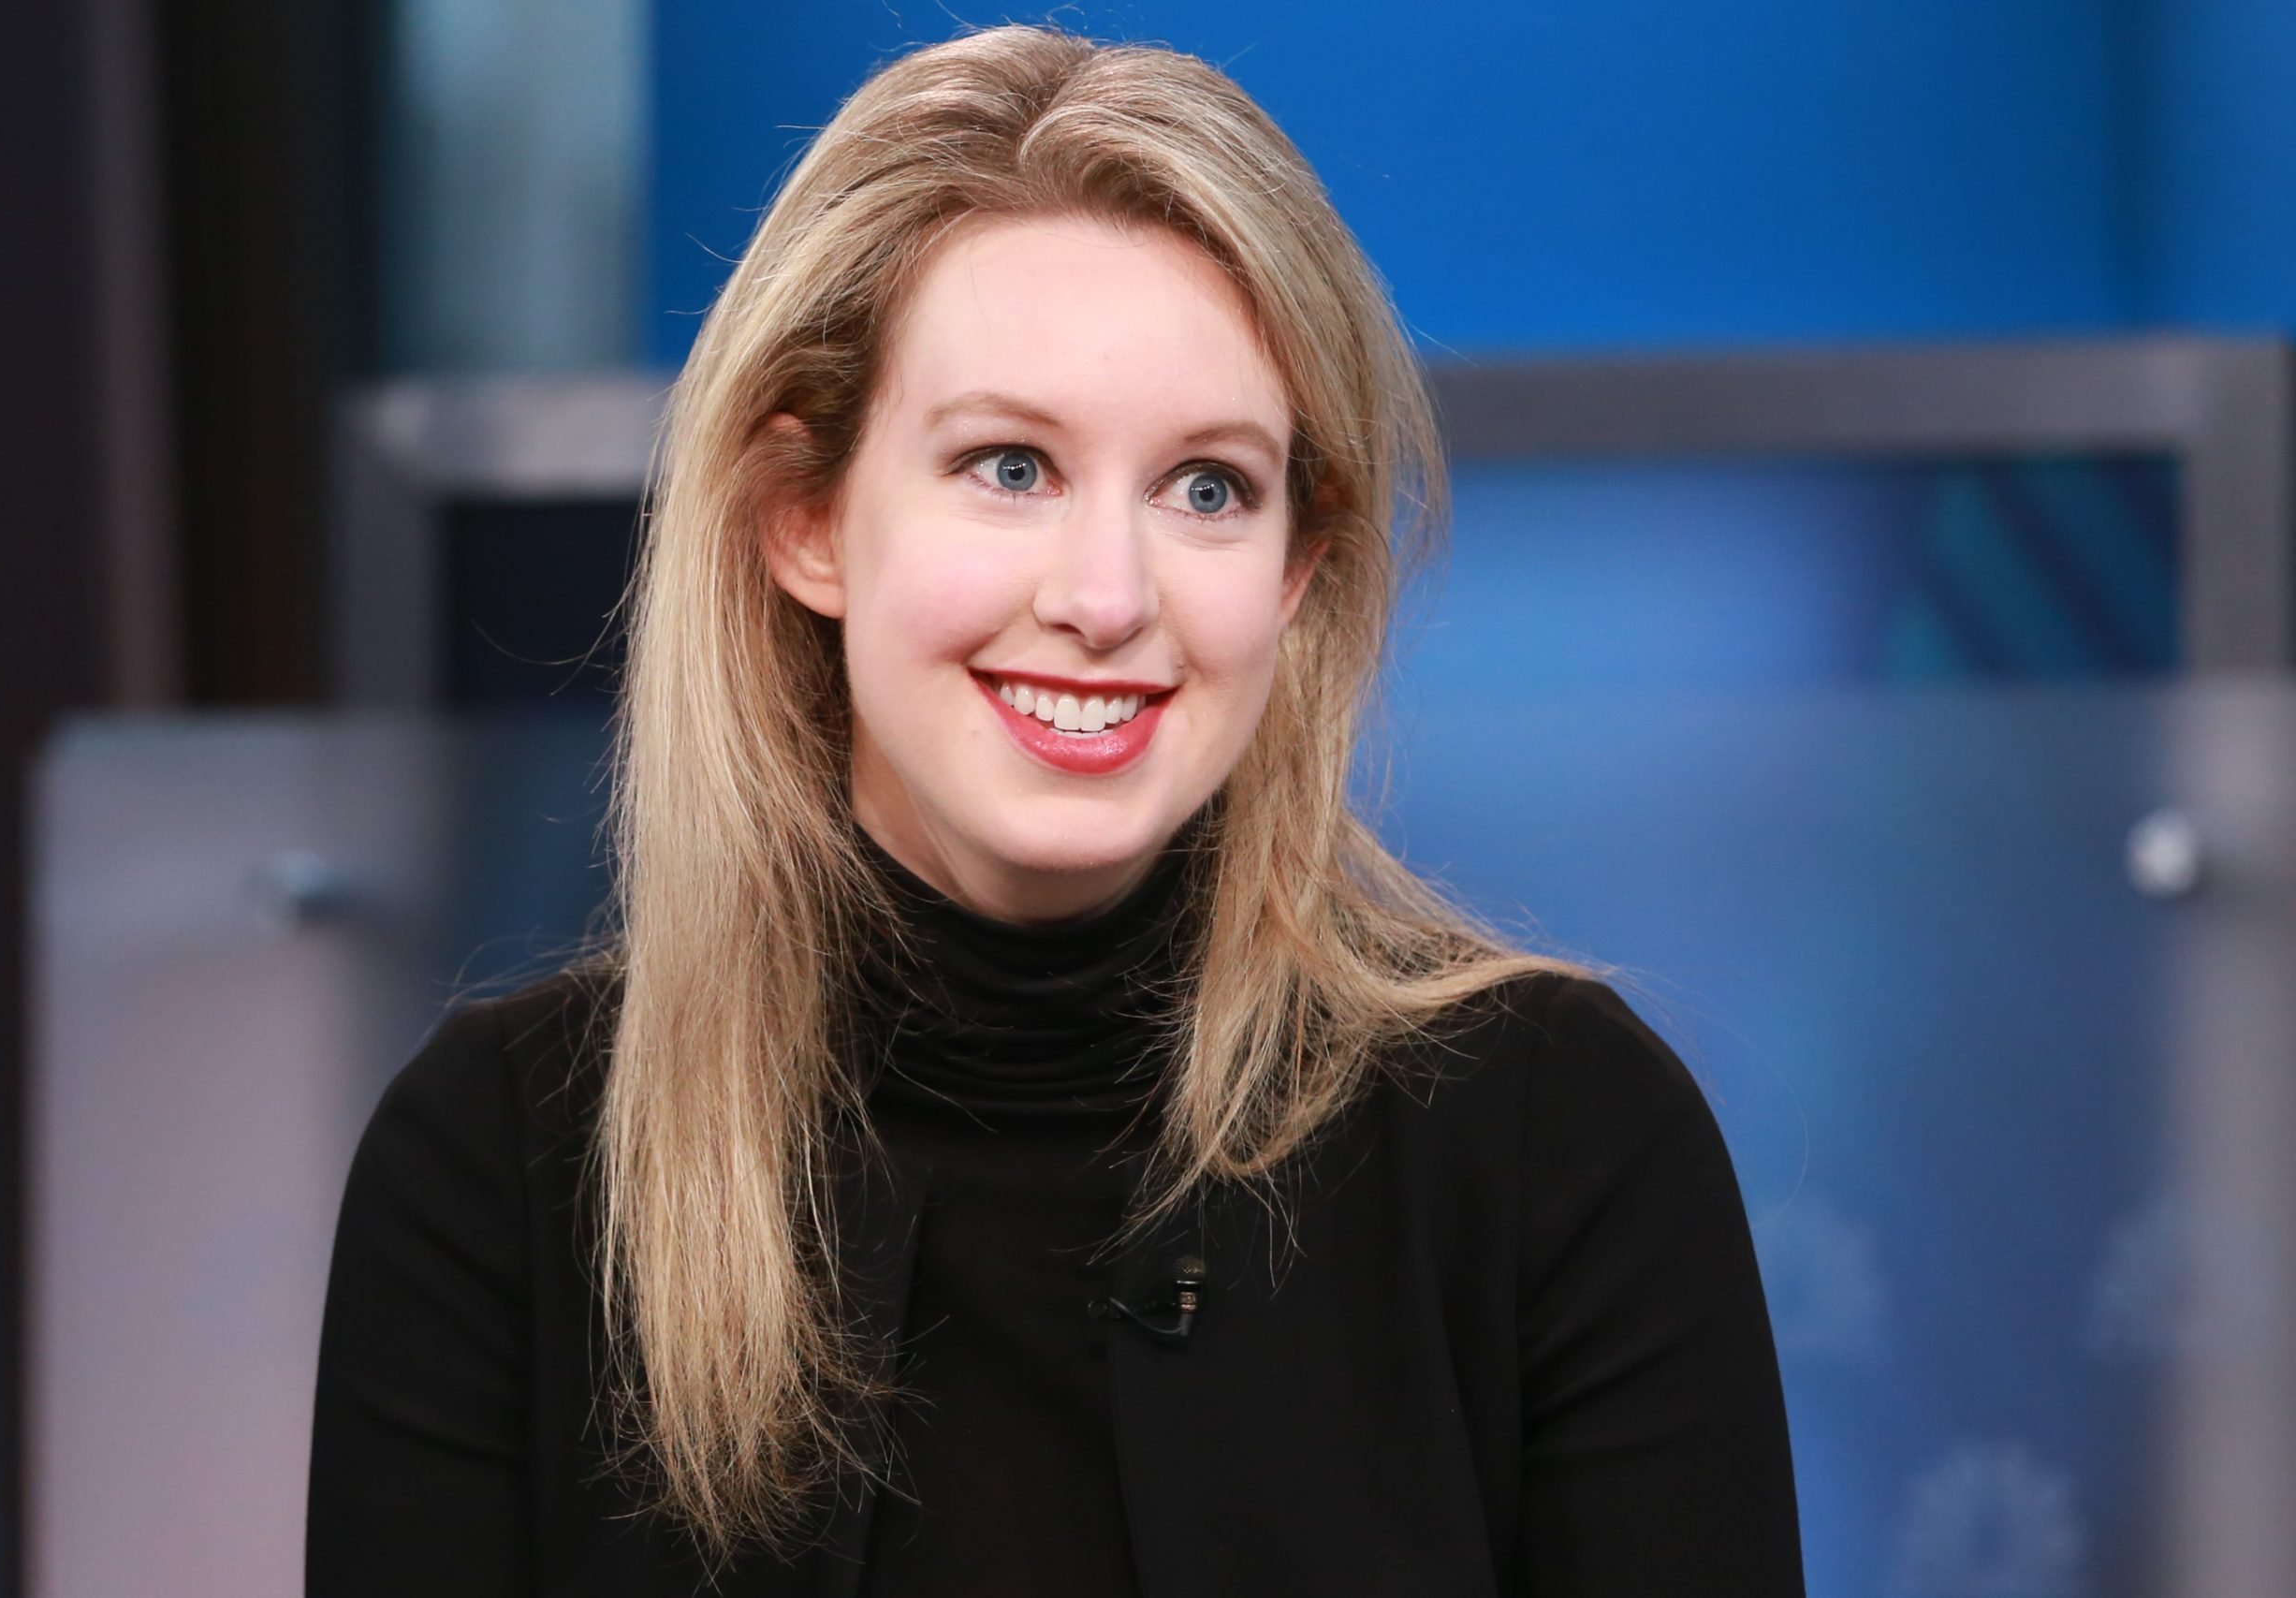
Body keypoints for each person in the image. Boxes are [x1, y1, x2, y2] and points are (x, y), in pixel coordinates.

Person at [306, 22, 1804, 1597]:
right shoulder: (506, 1165)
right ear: (803, 517)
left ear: (1297, 572)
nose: (1105, 598)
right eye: (1009, 466)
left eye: (1207, 488)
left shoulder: (1560, 1142)